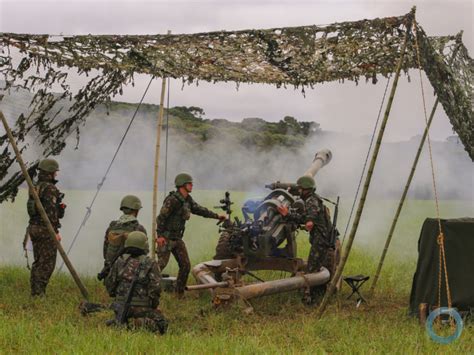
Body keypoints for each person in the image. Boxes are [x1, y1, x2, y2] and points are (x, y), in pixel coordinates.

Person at [155, 173, 226, 296]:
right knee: (159, 266)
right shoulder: (172, 200)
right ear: (182, 185)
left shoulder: (187, 200)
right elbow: (161, 218)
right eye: (189, 183)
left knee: (185, 265)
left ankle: (179, 293)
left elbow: (199, 209)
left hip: (177, 239)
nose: (192, 185)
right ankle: (147, 291)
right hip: (166, 238)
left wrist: (216, 216)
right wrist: (160, 236)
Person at [278, 175, 333, 304]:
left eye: (300, 189)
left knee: (313, 269)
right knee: (317, 266)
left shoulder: (311, 201)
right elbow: (307, 217)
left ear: (305, 189)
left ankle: (313, 300)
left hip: (321, 240)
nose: (299, 191)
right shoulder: (313, 199)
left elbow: (308, 222)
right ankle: (319, 295)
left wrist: (288, 214)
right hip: (322, 239)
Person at [105, 231, 168, 334]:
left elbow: (110, 286)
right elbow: (155, 289)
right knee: (162, 324)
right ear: (145, 245)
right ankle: (137, 323)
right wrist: (153, 306)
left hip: (120, 307)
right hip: (142, 309)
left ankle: (123, 322)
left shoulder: (119, 262)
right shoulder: (150, 263)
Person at [26, 158, 66, 297]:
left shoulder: (36, 186)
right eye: (55, 172)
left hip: (34, 228)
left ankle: (35, 292)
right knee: (47, 263)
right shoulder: (50, 188)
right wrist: (55, 232)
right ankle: (39, 294)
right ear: (50, 172)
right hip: (45, 230)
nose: (56, 174)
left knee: (38, 261)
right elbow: (50, 214)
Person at [98, 195, 147, 281]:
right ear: (136, 210)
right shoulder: (139, 228)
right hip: (129, 276)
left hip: (110, 274)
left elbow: (105, 251)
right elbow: (145, 253)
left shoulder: (112, 227)